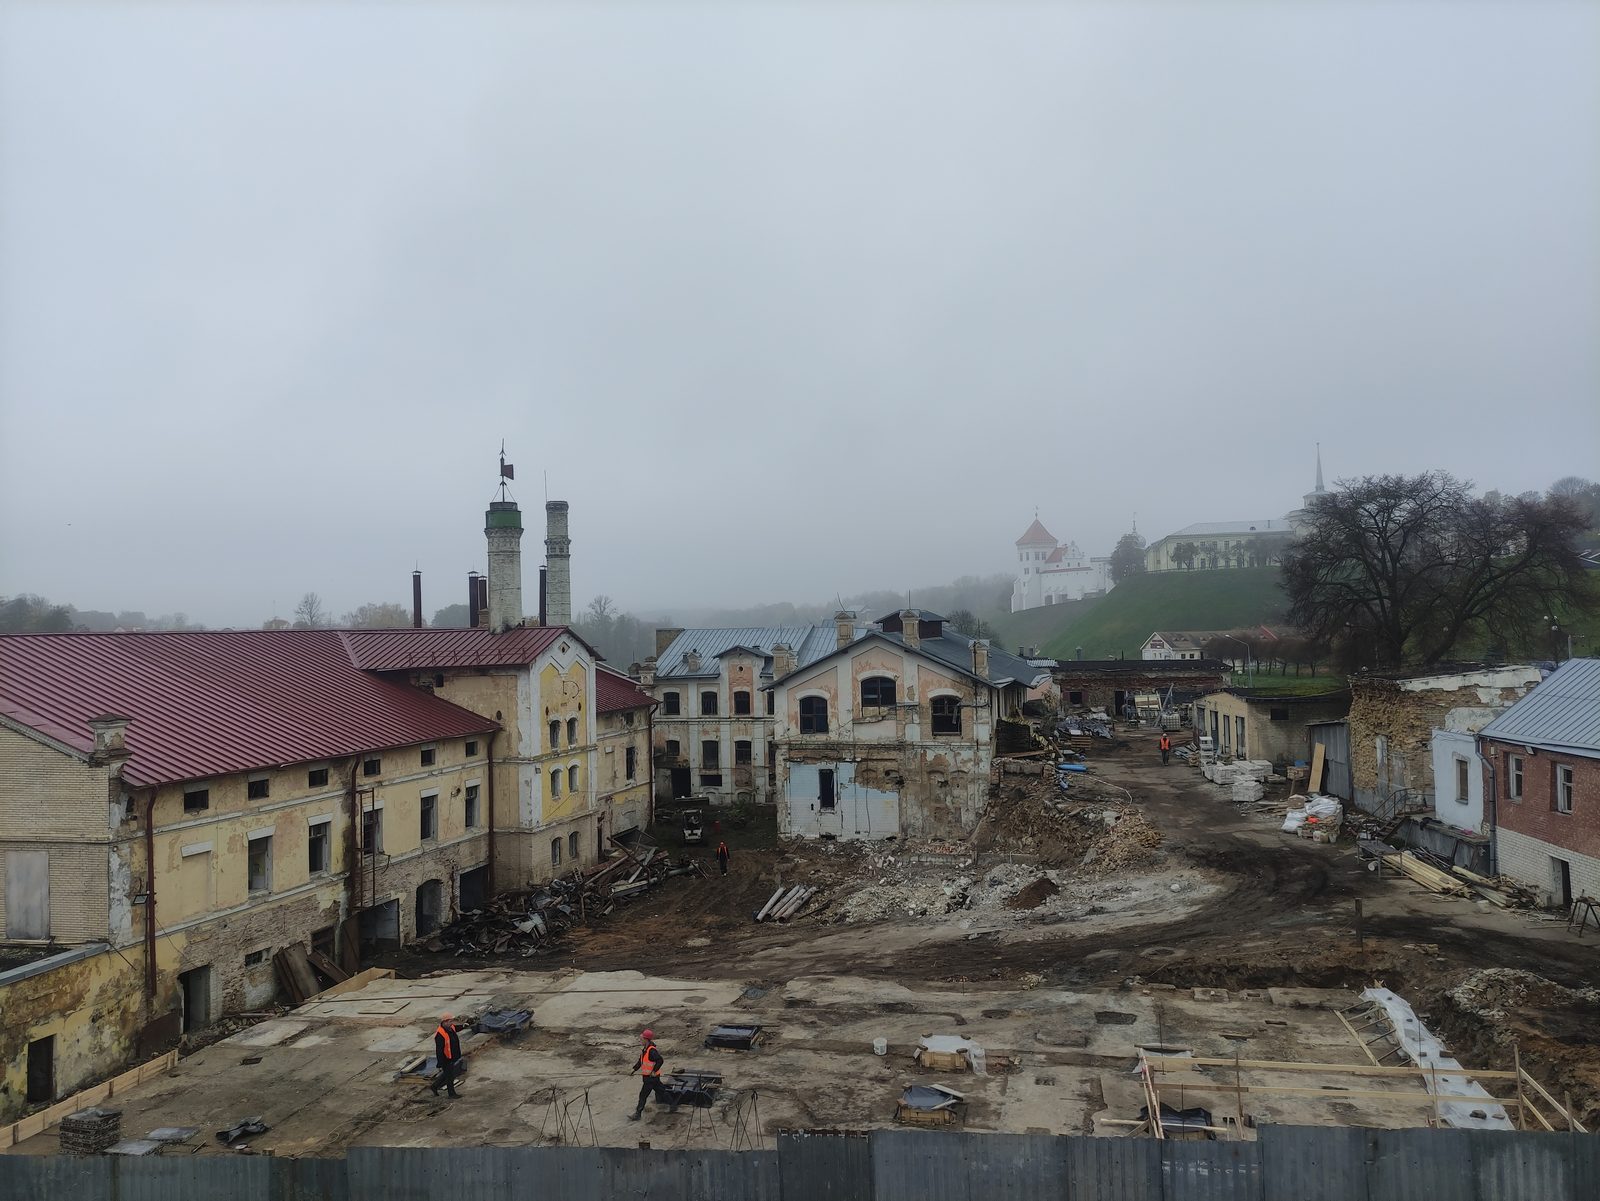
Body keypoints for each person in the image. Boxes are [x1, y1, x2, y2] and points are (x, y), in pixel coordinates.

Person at [628, 1028, 665, 1120]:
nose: (640, 1041)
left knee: (643, 1095)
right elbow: (641, 1061)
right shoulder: (645, 1050)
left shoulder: (652, 1051)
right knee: (662, 1092)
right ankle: (673, 1104)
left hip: (650, 1078)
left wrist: (653, 1071)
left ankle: (638, 1114)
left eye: (641, 1039)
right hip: (652, 1078)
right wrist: (634, 1069)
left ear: (646, 1039)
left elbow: (660, 1060)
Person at [431, 1013, 463, 1098]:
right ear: (444, 1022)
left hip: (452, 1056)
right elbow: (439, 1050)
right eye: (450, 1021)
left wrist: (464, 1025)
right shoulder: (440, 1035)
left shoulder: (450, 1027)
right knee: (450, 1076)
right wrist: (440, 1063)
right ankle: (451, 1094)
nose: (451, 1023)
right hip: (446, 1059)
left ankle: (434, 1086)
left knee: (447, 1074)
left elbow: (456, 1028)